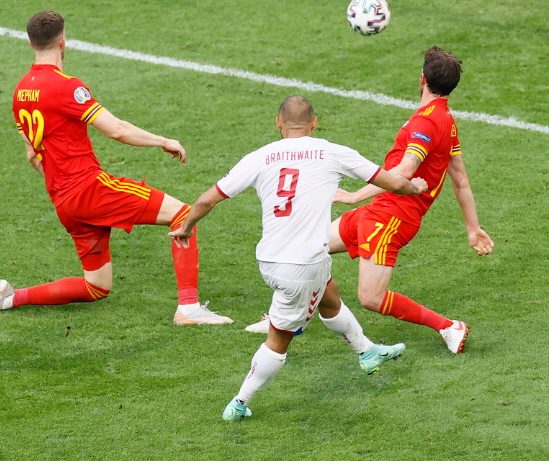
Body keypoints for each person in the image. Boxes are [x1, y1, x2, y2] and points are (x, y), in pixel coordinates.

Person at [0, 10, 231, 325]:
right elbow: (116, 129)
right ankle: (188, 309)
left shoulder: (21, 91)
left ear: (30, 42)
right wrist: (162, 140)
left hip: (64, 202)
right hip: (90, 190)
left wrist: (64, 189)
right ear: (63, 41)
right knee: (185, 214)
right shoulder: (65, 86)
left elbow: (33, 156)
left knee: (96, 287)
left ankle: (10, 297)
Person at [169, 95, 428, 421]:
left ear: (278, 124)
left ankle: (367, 352)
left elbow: (208, 199)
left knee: (329, 295)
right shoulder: (332, 152)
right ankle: (239, 402)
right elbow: (393, 182)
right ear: (314, 123)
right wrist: (415, 187)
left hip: (269, 260)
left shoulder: (259, 156)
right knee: (280, 337)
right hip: (302, 266)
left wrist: (186, 227)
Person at [327, 46, 494, 355]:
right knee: (308, 248)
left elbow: (404, 170)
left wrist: (353, 195)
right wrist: (473, 228)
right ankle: (282, 319)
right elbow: (461, 180)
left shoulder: (428, 123)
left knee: (371, 297)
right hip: (379, 210)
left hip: (392, 217)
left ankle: (448, 326)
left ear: (422, 79)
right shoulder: (446, 120)